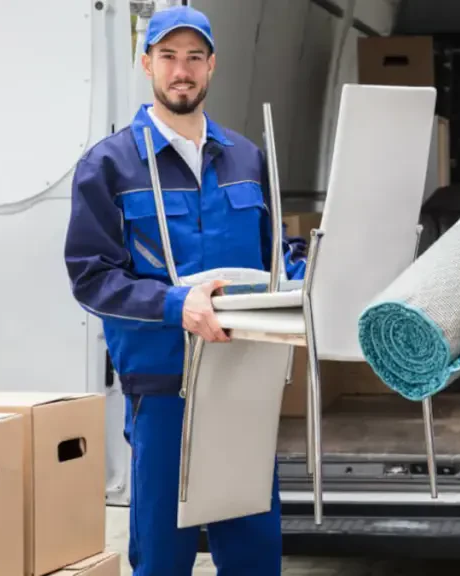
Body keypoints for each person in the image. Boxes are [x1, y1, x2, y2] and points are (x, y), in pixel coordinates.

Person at [63, 6, 305, 575]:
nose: (182, 70)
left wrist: (309, 285)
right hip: (163, 390)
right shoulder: (110, 165)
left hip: (244, 381)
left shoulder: (246, 157)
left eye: (195, 57)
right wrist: (176, 305)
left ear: (212, 66)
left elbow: (277, 255)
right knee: (163, 559)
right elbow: (91, 276)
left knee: (254, 555)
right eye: (168, 56)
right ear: (146, 63)